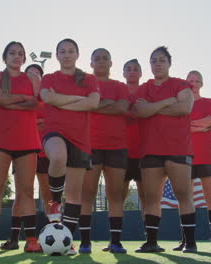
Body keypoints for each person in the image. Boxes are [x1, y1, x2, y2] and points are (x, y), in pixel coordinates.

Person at [132, 46, 197, 253]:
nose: (157, 64)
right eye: (153, 61)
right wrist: (168, 101)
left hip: (178, 147)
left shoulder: (181, 84)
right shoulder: (144, 88)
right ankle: (152, 242)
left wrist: (154, 107)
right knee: (152, 198)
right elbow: (141, 111)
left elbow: (184, 108)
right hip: (150, 149)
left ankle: (190, 242)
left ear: (169, 63)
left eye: (161, 60)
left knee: (183, 194)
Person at [40, 38, 100, 255]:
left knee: (75, 197)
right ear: (57, 56)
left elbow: (93, 103)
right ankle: (55, 199)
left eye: (70, 51)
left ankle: (65, 240)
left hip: (81, 139)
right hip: (54, 133)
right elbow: (47, 98)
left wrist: (61, 99)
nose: (66, 54)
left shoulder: (88, 79)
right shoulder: (49, 78)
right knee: (57, 157)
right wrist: (77, 100)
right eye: (62, 51)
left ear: (77, 54)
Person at [0, 42, 42, 253]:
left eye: (20, 54)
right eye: (12, 53)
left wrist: (10, 102)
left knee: (25, 191)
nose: (16, 57)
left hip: (27, 139)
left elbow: (36, 103)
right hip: (0, 139)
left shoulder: (33, 78)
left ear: (24, 59)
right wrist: (22, 100)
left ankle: (32, 240)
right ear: (4, 56)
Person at [78, 48, 129, 254]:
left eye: (105, 58)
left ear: (111, 63)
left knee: (115, 196)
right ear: (90, 63)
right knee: (86, 195)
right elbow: (83, 106)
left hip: (117, 146)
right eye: (96, 58)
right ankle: (85, 242)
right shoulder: (84, 84)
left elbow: (122, 107)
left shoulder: (119, 86)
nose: (100, 61)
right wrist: (108, 104)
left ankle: (115, 242)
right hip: (90, 145)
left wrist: (97, 104)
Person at [0, 63, 52, 251]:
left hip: (44, 152)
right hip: (21, 148)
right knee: (21, 195)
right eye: (29, 73)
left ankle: (52, 235)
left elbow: (51, 121)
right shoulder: (18, 97)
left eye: (37, 73)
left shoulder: (45, 99)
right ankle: (14, 238)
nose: (33, 76)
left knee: (48, 195)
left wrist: (37, 121)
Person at [173, 70, 211, 251]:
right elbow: (180, 128)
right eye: (190, 80)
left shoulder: (209, 102)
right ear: (185, 84)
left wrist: (193, 125)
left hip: (207, 156)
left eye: (197, 80)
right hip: (185, 155)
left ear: (201, 83)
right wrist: (201, 126)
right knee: (185, 198)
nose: (193, 83)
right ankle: (186, 240)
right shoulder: (180, 105)